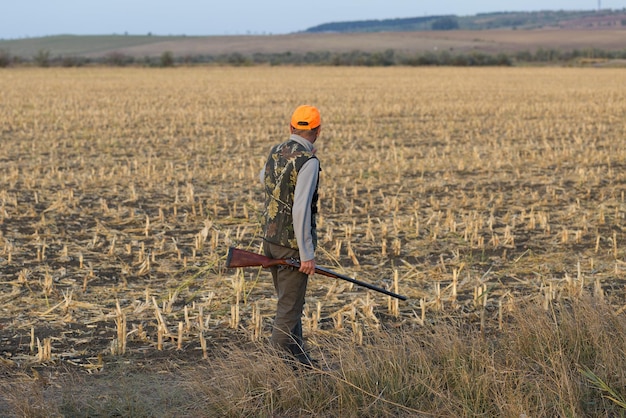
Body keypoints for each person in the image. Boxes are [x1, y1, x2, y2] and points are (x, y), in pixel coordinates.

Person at [261, 104, 322, 367]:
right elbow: (301, 209)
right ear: (318, 131)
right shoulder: (308, 162)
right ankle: (272, 371)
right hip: (290, 247)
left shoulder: (276, 152)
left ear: (291, 128)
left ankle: (301, 364)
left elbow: (264, 178)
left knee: (291, 304)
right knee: (288, 311)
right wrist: (306, 254)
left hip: (270, 242)